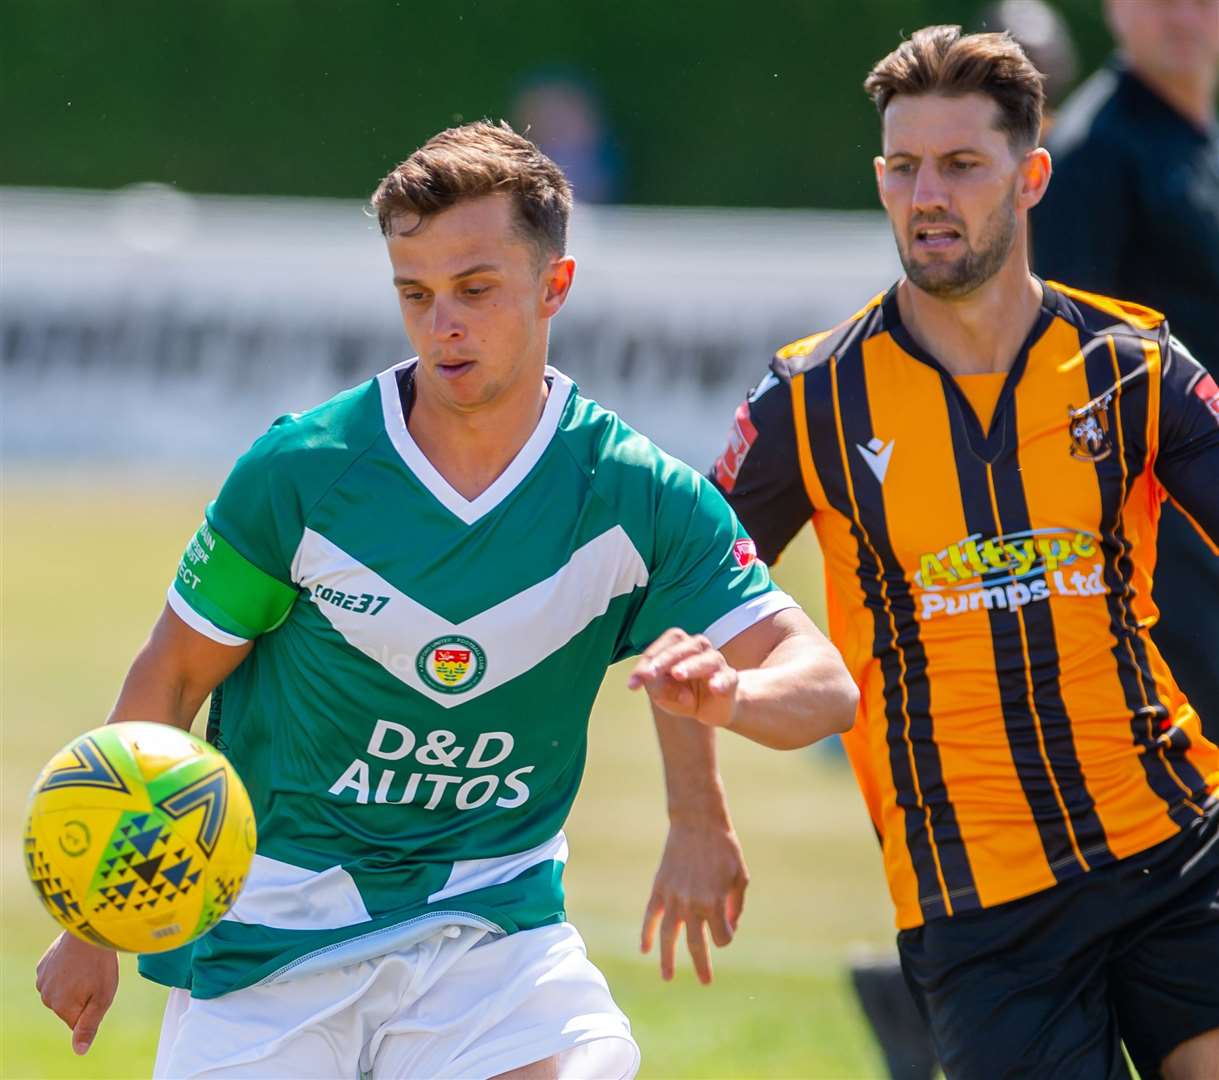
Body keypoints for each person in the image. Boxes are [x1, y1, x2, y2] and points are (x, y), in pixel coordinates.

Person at [33, 122, 858, 1078]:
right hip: (268, 940)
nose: (442, 326)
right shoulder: (302, 473)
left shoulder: (636, 494)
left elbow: (823, 684)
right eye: (415, 296)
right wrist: (93, 921)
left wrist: (730, 700)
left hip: (490, 932)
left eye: (475, 291)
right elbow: (171, 679)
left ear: (554, 286)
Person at [708, 26, 1219, 1079]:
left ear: (1029, 177)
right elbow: (687, 590)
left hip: (1172, 848)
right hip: (979, 900)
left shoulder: (1134, 366)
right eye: (902, 168)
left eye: (959, 165)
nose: (925, 195)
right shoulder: (812, 398)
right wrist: (694, 812)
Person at [1033, 0, 1219, 746]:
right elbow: (1057, 367)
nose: (1180, 13)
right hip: (1162, 544)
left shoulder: (1195, 141)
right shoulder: (1089, 155)